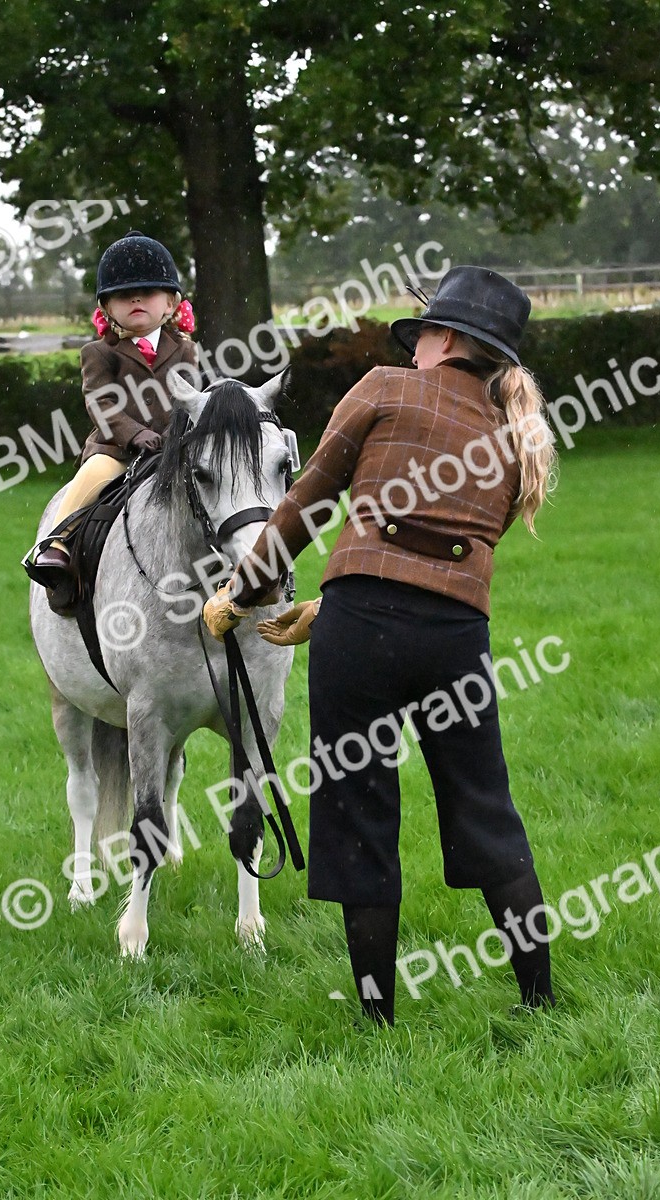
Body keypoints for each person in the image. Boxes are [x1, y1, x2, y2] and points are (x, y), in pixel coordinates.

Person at [203, 266, 558, 1026]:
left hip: (359, 631)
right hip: (456, 639)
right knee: (485, 810)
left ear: (448, 340)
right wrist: (328, 602)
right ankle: (540, 999)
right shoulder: (515, 436)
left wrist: (240, 595)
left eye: (423, 332)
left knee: (358, 812)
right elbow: (453, 550)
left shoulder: (381, 388)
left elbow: (305, 505)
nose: (414, 345)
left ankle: (376, 1016)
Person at [31, 230, 198, 578]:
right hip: (115, 449)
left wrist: (175, 436)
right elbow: (100, 401)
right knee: (93, 474)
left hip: (175, 445)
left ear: (170, 303)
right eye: (123, 295)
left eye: (148, 292)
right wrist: (134, 434)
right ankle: (57, 543)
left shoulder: (185, 349)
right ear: (107, 308)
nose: (135, 298)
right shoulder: (98, 352)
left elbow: (190, 397)